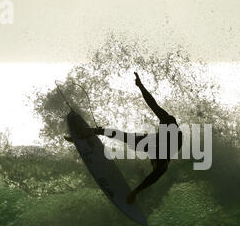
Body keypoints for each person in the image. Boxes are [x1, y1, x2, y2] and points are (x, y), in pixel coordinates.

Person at [64, 72, 182, 204]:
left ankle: (139, 190)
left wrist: (135, 192)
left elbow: (155, 176)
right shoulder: (167, 121)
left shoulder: (163, 160)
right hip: (156, 142)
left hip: (161, 149)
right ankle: (83, 134)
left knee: (154, 172)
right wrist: (141, 86)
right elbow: (152, 104)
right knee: (121, 135)